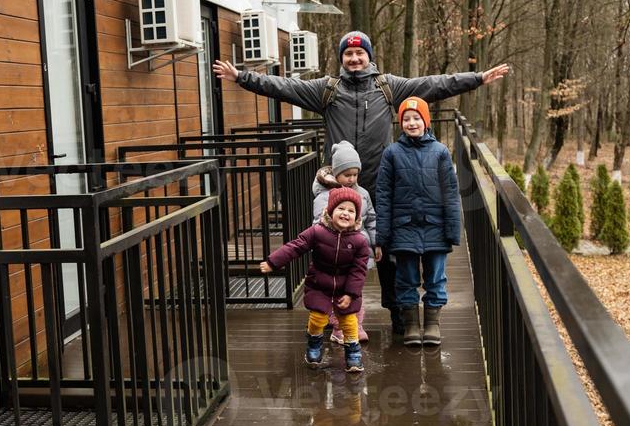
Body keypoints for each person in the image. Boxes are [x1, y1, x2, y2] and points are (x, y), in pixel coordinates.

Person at [215, 30, 506, 339]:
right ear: (342, 58)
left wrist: (477, 78)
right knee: (332, 252)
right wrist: (242, 77)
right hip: (340, 190)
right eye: (348, 54)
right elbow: (284, 87)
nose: (354, 59)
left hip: (381, 184)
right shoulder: (327, 90)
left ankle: (399, 316)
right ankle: (335, 317)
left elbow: (435, 84)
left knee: (388, 252)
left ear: (369, 56)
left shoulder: (387, 87)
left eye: (360, 53)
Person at [374, 96, 460, 347]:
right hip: (403, 227)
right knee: (406, 277)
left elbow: (451, 194)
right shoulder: (392, 153)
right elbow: (384, 195)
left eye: (416, 118)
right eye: (406, 119)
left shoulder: (441, 152)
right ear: (400, 123)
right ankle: (411, 323)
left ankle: (432, 323)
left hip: (435, 226)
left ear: (426, 121)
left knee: (436, 277)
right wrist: (382, 236)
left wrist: (452, 231)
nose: (412, 123)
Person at [259, 186, 371, 374]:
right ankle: (314, 343)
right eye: (341, 208)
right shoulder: (317, 232)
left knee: (349, 320)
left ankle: (353, 351)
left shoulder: (360, 241)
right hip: (320, 283)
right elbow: (295, 246)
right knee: (318, 318)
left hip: (345, 287)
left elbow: (359, 271)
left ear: (357, 216)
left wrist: (351, 294)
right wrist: (273, 262)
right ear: (330, 211)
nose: (345, 213)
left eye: (351, 211)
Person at [312, 141, 377, 343]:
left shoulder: (363, 194)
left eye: (355, 174)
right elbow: (318, 223)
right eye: (347, 174)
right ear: (337, 173)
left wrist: (376, 243)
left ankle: (355, 323)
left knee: (354, 289)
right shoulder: (325, 196)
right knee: (337, 290)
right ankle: (339, 327)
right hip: (335, 253)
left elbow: (372, 220)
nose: (351, 179)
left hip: (359, 250)